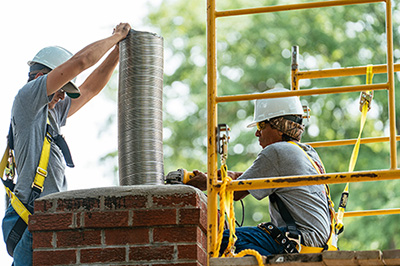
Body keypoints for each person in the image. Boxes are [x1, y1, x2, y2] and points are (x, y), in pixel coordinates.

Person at [2, 22, 131, 265]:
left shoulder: (50, 113)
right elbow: (81, 62)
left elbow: (89, 89)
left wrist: (116, 54)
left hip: (49, 217)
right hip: (33, 216)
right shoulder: (28, 99)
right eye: (61, 88)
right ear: (42, 78)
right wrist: (116, 37)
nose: (62, 96)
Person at [187, 88, 335, 256]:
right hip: (322, 242)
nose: (257, 133)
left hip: (302, 240)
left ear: (279, 127)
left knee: (220, 239)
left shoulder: (276, 151)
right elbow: (246, 177)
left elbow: (236, 192)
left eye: (261, 125)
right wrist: (224, 175)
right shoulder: (306, 152)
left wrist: (205, 182)